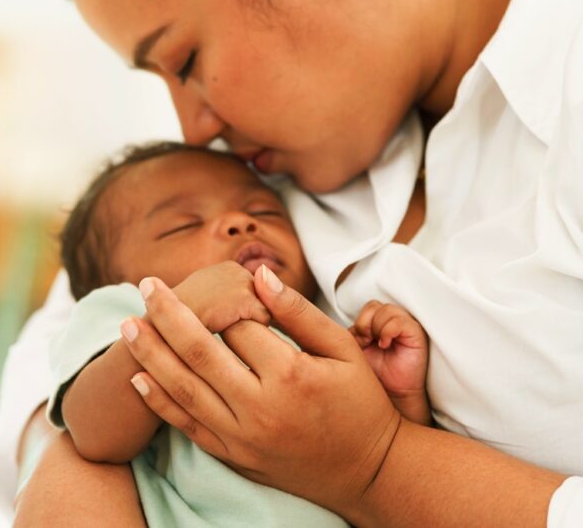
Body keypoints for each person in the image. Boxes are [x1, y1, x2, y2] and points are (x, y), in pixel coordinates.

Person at [0, 0, 583, 526]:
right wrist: (83, 461)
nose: (194, 128)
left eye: (185, 59)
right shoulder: (254, 166)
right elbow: (60, 367)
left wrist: (380, 467)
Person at [46, 141, 431, 527]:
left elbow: (394, 480)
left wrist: (397, 398)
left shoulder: (322, 328)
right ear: (113, 278)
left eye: (263, 210)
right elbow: (93, 432)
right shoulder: (125, 309)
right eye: (184, 225)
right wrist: (176, 319)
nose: (240, 222)